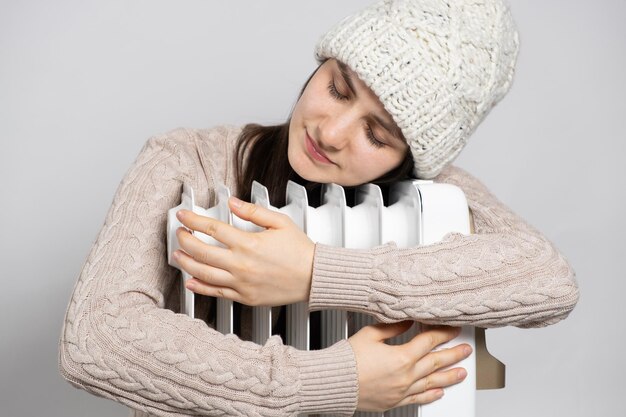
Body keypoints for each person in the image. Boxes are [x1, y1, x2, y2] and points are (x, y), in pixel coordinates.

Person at [58, 0, 579, 416]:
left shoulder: (439, 194)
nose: (330, 134)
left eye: (376, 134)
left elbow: (549, 281)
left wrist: (316, 272)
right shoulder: (187, 161)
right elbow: (95, 340)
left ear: (412, 158)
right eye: (337, 88)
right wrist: (334, 383)